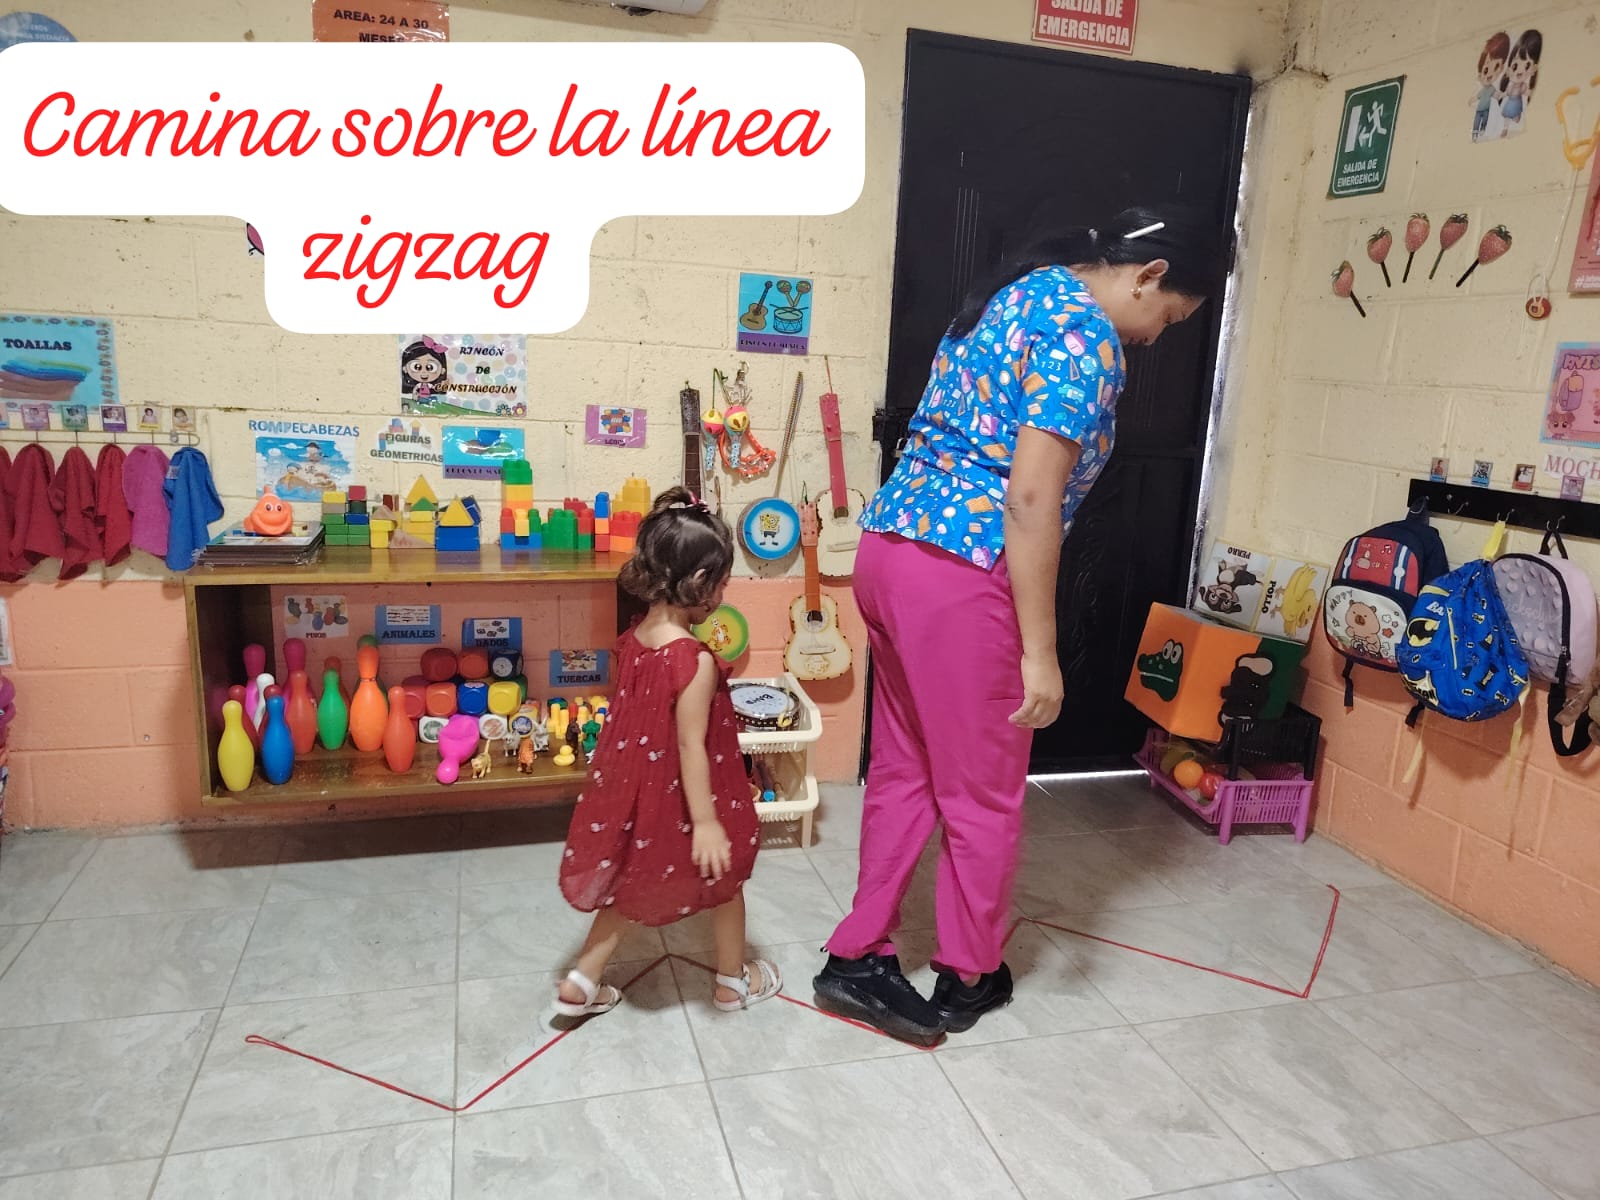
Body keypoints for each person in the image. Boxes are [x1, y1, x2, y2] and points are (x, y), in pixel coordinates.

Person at [813, 205, 1228, 1044]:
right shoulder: (1086, 337)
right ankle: (969, 974)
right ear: (1147, 276)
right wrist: (1042, 653)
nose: (1157, 336)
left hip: (892, 551)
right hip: (960, 570)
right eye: (1170, 316)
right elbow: (1031, 500)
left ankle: (858, 954)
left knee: (906, 771)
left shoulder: (1020, 293)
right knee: (984, 794)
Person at [556, 487, 781, 1017]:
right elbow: (690, 746)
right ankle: (732, 983)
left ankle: (582, 981)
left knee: (630, 880)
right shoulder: (693, 660)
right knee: (726, 883)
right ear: (700, 582)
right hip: (690, 795)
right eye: (722, 583)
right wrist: (705, 823)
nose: (722, 593)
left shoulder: (637, 637)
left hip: (642, 790)